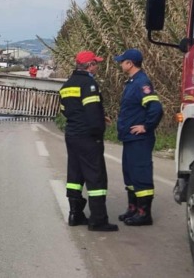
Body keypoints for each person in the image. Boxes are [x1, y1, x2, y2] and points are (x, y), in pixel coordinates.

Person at [60, 50, 118, 232]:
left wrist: (100, 116)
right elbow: (92, 112)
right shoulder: (89, 84)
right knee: (96, 177)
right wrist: (99, 130)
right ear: (89, 65)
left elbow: (65, 110)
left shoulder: (67, 85)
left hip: (72, 134)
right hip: (88, 137)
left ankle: (75, 214)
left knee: (75, 175)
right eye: (96, 63)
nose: (97, 66)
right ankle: (98, 219)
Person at [114, 48, 163, 226]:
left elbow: (155, 108)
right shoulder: (132, 82)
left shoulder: (142, 82)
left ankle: (144, 213)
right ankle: (133, 208)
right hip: (129, 138)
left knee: (141, 174)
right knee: (130, 174)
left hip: (139, 139)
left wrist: (146, 126)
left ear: (130, 63)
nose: (120, 64)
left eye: (122, 61)